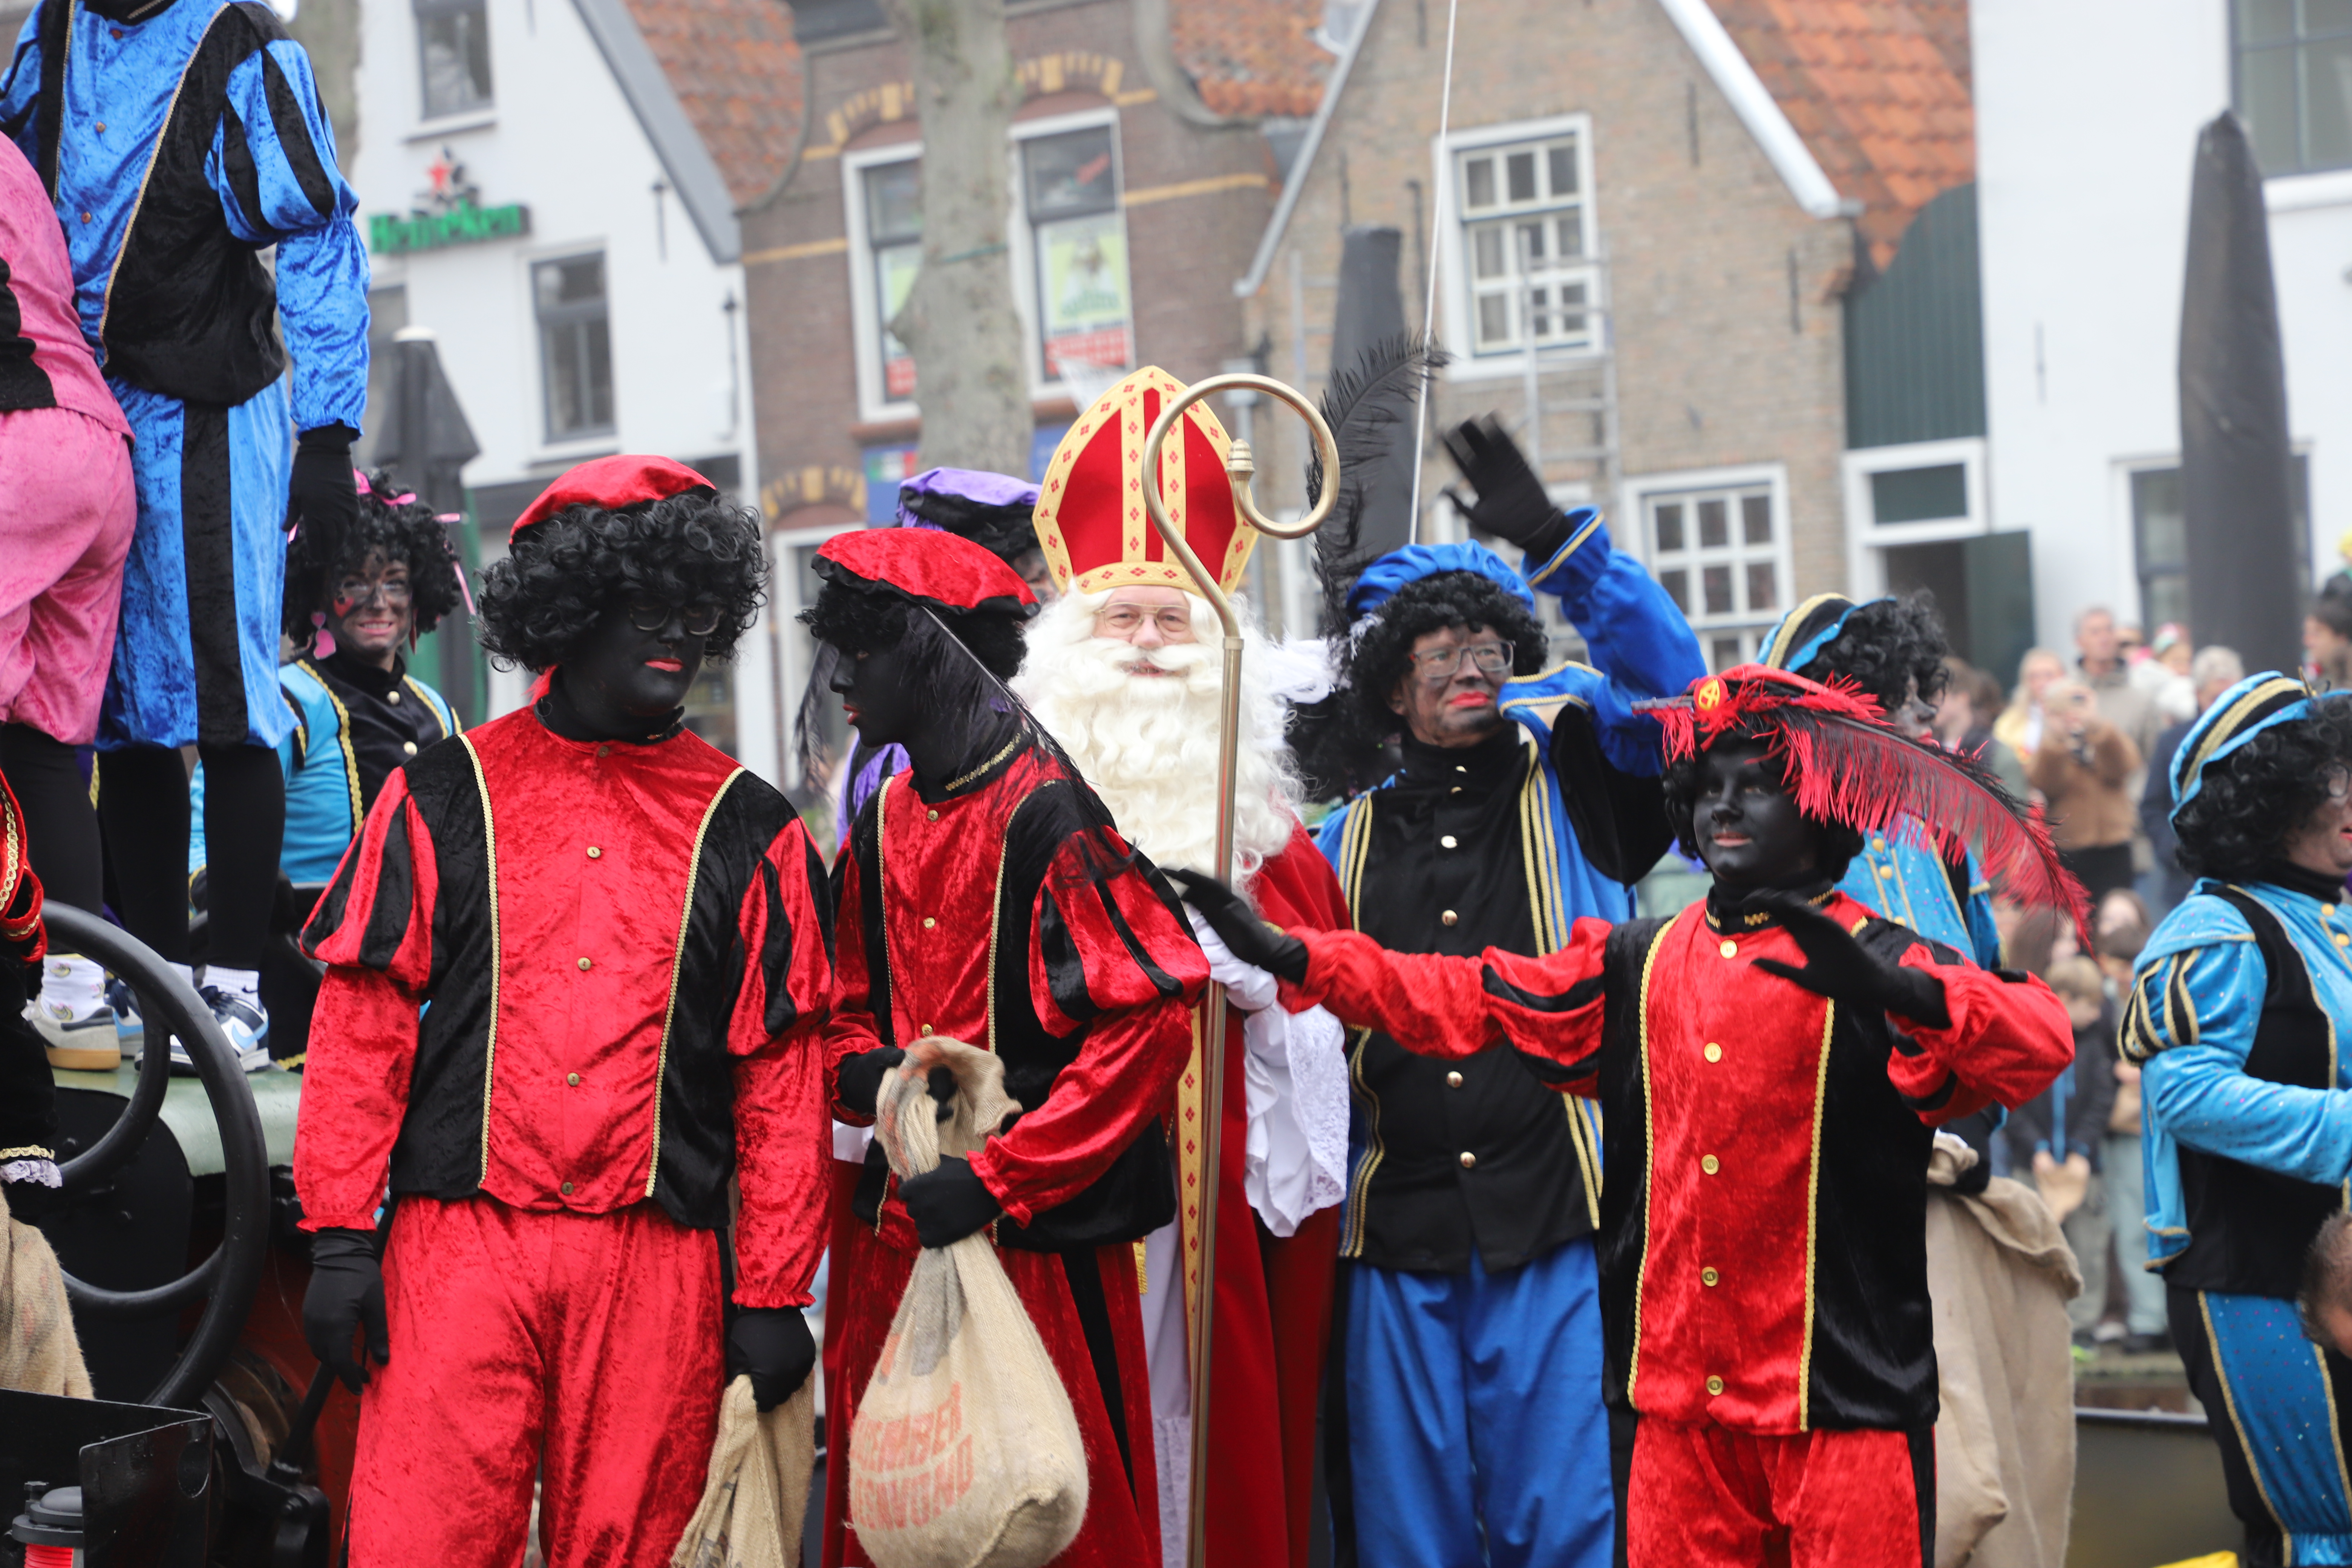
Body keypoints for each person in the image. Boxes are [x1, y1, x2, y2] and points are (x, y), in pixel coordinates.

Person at [1180, 663, 2078, 1568]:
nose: (1724, 808)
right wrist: (1300, 958)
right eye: (1709, 787)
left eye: (1757, 787)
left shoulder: (1883, 958)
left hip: (1842, 1407)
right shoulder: (1637, 959)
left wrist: (1904, 993)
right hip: (1677, 1417)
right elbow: (1468, 994)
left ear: (1817, 809)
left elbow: (2037, 1041)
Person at [292, 457, 835, 1566]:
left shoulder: (753, 827)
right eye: (645, 607)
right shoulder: (443, 790)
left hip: (657, 1263)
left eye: (693, 608)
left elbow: (779, 1082)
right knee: (418, 1541)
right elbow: (364, 1024)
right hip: (459, 1246)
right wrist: (343, 1239)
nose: (676, 635)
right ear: (572, 611)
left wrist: (775, 1287)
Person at [1300, 414, 1703, 1568]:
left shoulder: (1572, 765)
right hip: (1394, 1234)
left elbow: (1688, 699)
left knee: (1567, 1521)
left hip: (1557, 1221)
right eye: (1443, 653)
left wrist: (1564, 553)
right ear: (1390, 684)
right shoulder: (1335, 842)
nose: (1474, 670)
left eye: (1489, 648)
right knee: (1406, 1534)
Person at [807, 524, 1208, 1568]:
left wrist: (1003, 1178)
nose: (844, 672)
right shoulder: (888, 816)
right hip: (906, 1234)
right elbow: (843, 1002)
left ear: (933, 651)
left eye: (867, 645)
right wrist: (861, 1071)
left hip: (1039, 1248)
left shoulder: (1051, 816)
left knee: (1047, 1515)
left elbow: (1155, 1012)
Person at [1016, 366, 1351, 1568]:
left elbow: (1332, 1020)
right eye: (1123, 621)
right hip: (1061, 1190)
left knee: (1202, 1426)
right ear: (1071, 640)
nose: (1152, 649)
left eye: (1175, 622)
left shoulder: (1270, 833)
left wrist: (1259, 986)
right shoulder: (1020, 809)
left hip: (1214, 1190)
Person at [5, 0, 369, 1065]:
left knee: (226, 694)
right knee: (116, 710)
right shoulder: (55, 29)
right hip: (83, 407)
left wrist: (329, 431)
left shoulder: (246, 44)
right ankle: (151, 979)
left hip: (209, 409)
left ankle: (238, 986)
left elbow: (313, 233)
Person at [2125, 672, 2352, 1566]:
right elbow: (2181, 1094)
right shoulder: (2214, 929)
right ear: (2274, 794)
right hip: (2253, 1278)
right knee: (2317, 1526)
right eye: (2334, 778)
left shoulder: (2332, 919)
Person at [187, 470, 466, 1069]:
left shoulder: (438, 711)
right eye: (353, 583)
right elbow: (205, 814)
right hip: (300, 990)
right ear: (317, 594)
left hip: (417, 993)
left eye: (394, 583)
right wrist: (220, 884)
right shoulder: (286, 699)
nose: (378, 602)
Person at [0, 135, 134, 1069]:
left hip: (14, 444)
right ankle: (78, 997)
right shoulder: (11, 154)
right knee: (45, 744)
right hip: (96, 448)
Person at [1758, 593, 2001, 966]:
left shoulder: (1944, 849)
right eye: (1897, 698)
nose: (1926, 713)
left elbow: (1992, 993)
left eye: (1920, 691)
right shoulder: (1776, 857)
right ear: (1839, 719)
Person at [2005, 956, 2116, 1345]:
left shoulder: (2094, 1048)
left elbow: (2102, 1101)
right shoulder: (2028, 1041)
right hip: (2031, 1165)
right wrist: (2034, 1146)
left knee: (2088, 1244)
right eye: (2091, 1004)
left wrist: (2081, 1149)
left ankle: (2082, 1326)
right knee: (2032, 1245)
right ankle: (2033, 1326)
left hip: (2083, 1168)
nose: (2098, 1013)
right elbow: (2011, 1099)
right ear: (2065, 999)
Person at [2092, 888, 2169, 1353]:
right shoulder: (2093, 997)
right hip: (2117, 1129)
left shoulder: (2162, 993)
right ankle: (2145, 1317)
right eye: (2116, 965)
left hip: (2163, 1126)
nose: (2123, 975)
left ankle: (2167, 1317)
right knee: (2126, 1224)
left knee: (2167, 1222)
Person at [2141, 646, 2246, 917]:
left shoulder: (2260, 741)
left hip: (2247, 879)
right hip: (2184, 884)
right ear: (2198, 696)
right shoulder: (2173, 742)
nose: (2224, 708)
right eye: (2215, 698)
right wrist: (2174, 851)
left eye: (2232, 698)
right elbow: (2152, 807)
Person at [2027, 679, 2141, 900]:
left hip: (2114, 844)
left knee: (2118, 912)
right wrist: (2057, 738)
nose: (2073, 715)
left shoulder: (2104, 736)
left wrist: (2096, 726)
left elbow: (2124, 767)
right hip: (2072, 848)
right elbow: (2045, 784)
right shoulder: (2051, 747)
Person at [2073, 607, 2161, 765]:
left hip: (2130, 788)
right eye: (2095, 632)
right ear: (2080, 642)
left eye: (2109, 630)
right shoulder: (2066, 695)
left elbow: (2156, 761)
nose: (2104, 638)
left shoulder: (2142, 698)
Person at [1993, 647, 2067, 772]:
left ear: (2063, 677)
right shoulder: (2010, 721)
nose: (2042, 683)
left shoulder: (2076, 715)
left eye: (2049, 675)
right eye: (2034, 677)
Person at [2306, 593, 2352, 693]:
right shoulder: (2317, 679)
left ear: (2341, 638)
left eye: (2317, 633)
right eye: (2307, 633)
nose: (2309, 642)